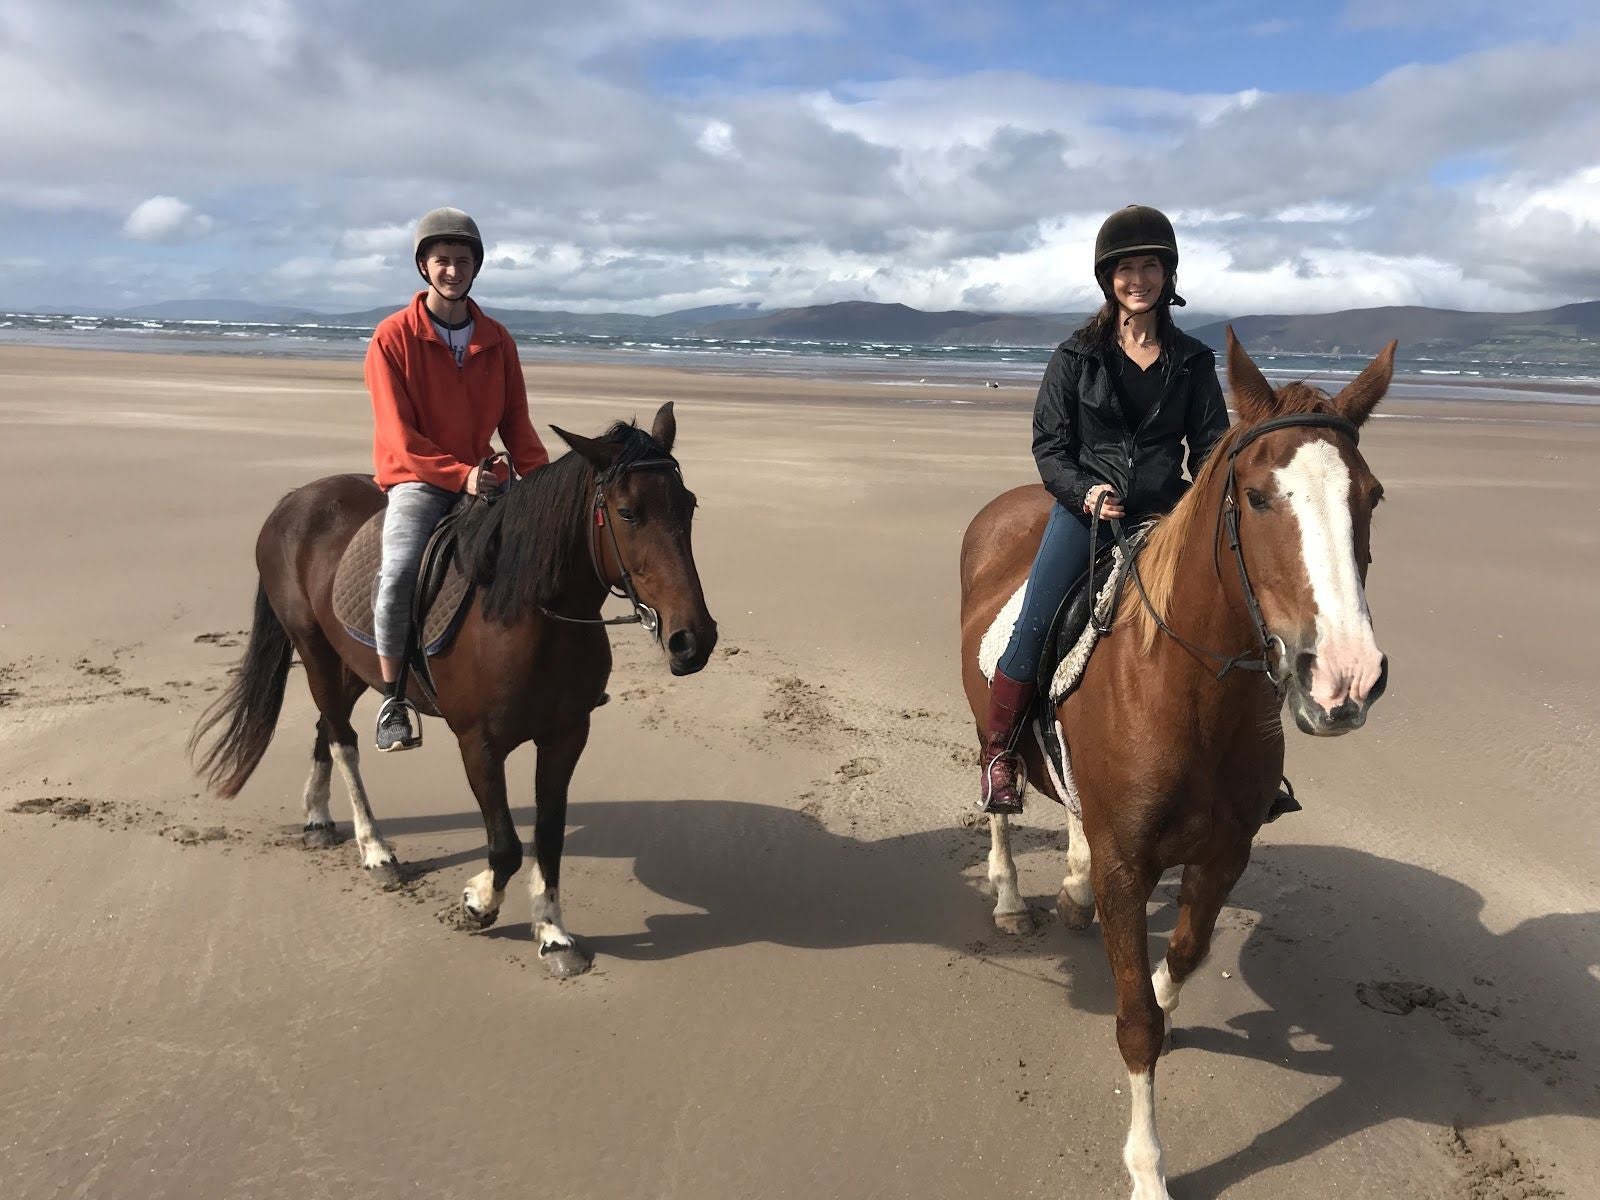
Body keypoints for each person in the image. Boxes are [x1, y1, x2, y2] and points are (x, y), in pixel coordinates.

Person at [981, 204, 1230, 813]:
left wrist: (1201, 507)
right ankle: (1000, 753)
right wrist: (1085, 492)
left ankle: (1247, 761)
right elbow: (1050, 446)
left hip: (1166, 512)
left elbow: (1209, 450)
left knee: (1232, 615)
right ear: (1108, 279)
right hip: (1087, 511)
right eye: (1125, 268)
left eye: (1150, 266)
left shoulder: (1194, 361)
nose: (1137, 279)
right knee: (1035, 622)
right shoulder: (1076, 357)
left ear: (1168, 275)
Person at [365, 207, 550, 751]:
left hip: (485, 479)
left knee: (545, 558)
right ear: (424, 266)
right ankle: (392, 697)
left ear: (476, 268)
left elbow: (517, 423)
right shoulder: (392, 337)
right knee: (398, 573)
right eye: (442, 260)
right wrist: (459, 476)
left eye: (462, 260)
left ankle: (551, 674)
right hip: (418, 480)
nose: (452, 270)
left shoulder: (497, 339)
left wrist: (541, 486)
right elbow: (399, 436)